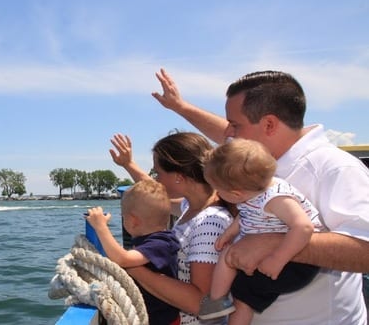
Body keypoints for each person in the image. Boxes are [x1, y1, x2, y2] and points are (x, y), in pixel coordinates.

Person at [152, 68, 369, 324]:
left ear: (269, 124)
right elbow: (223, 133)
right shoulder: (256, 162)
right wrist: (180, 107)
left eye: (235, 125)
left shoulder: (333, 168)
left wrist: (273, 243)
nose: (228, 134)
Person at [104, 131, 233, 325]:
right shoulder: (190, 206)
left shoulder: (210, 222)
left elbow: (201, 302)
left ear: (179, 177)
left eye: (158, 173)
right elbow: (154, 198)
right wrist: (128, 165)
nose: (156, 180)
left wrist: (132, 266)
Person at [198, 138, 324, 324]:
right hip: (280, 255)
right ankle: (217, 301)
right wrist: (229, 233)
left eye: (218, 190)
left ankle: (216, 302)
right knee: (230, 258)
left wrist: (278, 259)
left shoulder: (276, 199)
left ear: (235, 194)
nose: (216, 194)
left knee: (243, 297)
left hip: (296, 262)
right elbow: (247, 214)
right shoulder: (253, 194)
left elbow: (304, 227)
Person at [86, 179, 181, 325]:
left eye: (123, 216)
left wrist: (101, 227)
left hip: (161, 320)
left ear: (133, 221)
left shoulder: (161, 243)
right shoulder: (156, 240)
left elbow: (123, 259)